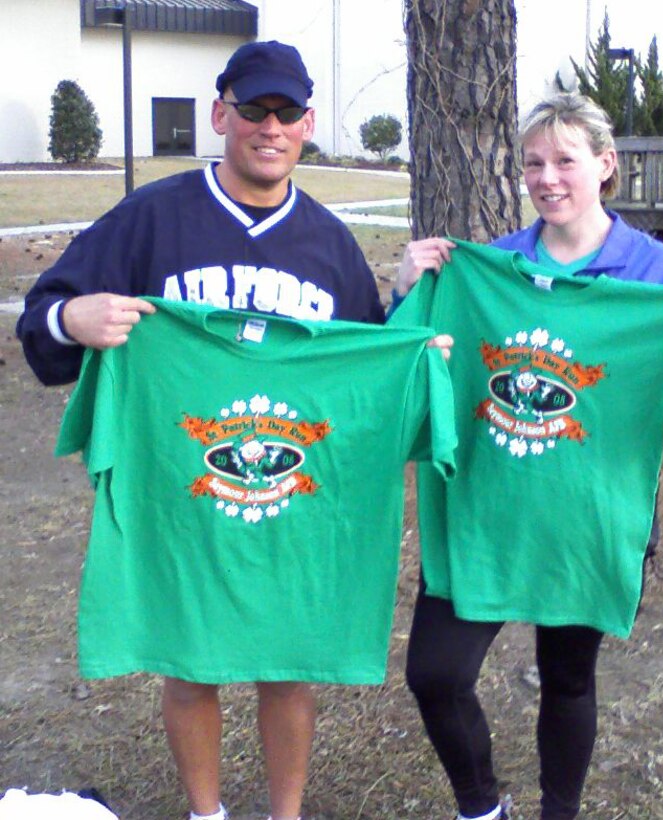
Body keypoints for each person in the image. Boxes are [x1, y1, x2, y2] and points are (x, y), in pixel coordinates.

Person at [17, 40, 450, 820]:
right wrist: (72, 318)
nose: (269, 127)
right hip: (182, 488)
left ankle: (285, 815)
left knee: (288, 665)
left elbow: (357, 380)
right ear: (222, 114)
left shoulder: (327, 242)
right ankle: (205, 813)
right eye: (253, 109)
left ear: (307, 125)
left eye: (286, 113)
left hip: (292, 498)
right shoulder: (152, 218)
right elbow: (41, 320)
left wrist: (413, 348)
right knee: (191, 660)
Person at [392, 92, 663, 820]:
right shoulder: (486, 269)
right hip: (484, 510)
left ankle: (558, 813)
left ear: (606, 164)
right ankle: (481, 808)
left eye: (565, 159)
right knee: (435, 673)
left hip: (585, 518)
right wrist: (407, 295)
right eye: (533, 162)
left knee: (566, 678)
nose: (547, 177)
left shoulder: (653, 276)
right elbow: (400, 386)